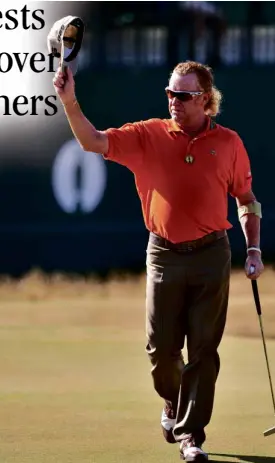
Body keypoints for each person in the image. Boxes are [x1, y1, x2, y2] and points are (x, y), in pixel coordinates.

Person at [53, 60, 264, 462]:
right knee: (161, 349)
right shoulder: (148, 134)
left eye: (182, 96)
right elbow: (92, 141)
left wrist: (253, 249)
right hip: (164, 253)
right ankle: (172, 401)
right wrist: (70, 101)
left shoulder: (230, 143)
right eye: (169, 93)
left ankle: (190, 437)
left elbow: (246, 200)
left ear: (205, 100)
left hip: (211, 253)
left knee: (204, 349)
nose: (173, 101)